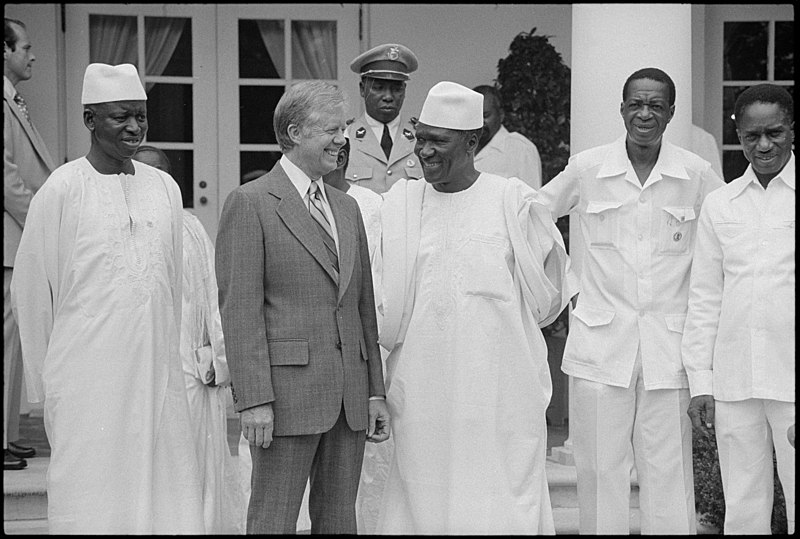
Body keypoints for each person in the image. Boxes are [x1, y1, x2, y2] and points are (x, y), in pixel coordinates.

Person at [10, 63, 204, 534]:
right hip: (86, 380)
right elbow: (33, 290)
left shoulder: (163, 186)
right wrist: (48, 385)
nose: (135, 127)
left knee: (164, 490)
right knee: (94, 492)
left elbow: (172, 281)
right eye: (121, 116)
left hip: (157, 373)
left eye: (141, 115)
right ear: (90, 120)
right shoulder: (62, 189)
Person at [535, 67, 725, 535]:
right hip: (601, 346)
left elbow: (727, 237)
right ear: (622, 110)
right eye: (636, 104)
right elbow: (535, 216)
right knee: (600, 472)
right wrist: (564, 289)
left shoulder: (695, 174)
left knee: (668, 475)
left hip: (669, 350)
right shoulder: (588, 167)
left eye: (656, 106)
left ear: (671, 113)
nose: (645, 114)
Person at [376, 81, 572, 534]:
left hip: (499, 399)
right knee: (421, 502)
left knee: (498, 504)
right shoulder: (401, 205)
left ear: (471, 141)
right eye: (419, 137)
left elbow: (548, 300)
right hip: (422, 394)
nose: (423, 151)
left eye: (437, 141)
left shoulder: (514, 204)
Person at [215, 80, 390, 534]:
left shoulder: (346, 208)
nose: (342, 139)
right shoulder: (250, 203)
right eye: (331, 129)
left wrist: (374, 391)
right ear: (294, 132)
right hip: (285, 400)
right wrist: (254, 401)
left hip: (349, 399)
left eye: (344, 128)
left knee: (338, 521)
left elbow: (362, 308)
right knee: (273, 520)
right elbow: (240, 312)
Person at [682, 83, 795, 535]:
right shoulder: (720, 204)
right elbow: (705, 297)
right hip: (734, 380)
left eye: (775, 132)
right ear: (738, 135)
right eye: (752, 135)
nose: (763, 145)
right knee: (743, 510)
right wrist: (700, 382)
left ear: (792, 130)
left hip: (791, 380)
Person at [133, 145, 245, 534]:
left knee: (191, 457)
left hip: (188, 366)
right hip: (139, 364)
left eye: (160, 176)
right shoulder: (121, 223)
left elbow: (216, 294)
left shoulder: (190, 226)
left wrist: (220, 357)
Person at [4, 17, 55, 471]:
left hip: (17, 242)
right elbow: (6, 179)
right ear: (4, 51)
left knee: (14, 346)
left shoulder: (12, 100)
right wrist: (41, 222)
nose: (32, 55)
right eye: (25, 47)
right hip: (11, 240)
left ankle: (7, 434)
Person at [345, 43, 422, 194]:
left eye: (396, 89)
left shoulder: (420, 138)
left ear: (404, 91)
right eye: (378, 88)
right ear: (362, 89)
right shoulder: (345, 137)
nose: (388, 97)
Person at [473, 84, 543, 190]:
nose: (480, 122)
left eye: (485, 116)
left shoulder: (521, 149)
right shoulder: (461, 148)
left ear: (501, 115)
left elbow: (531, 200)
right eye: (475, 116)